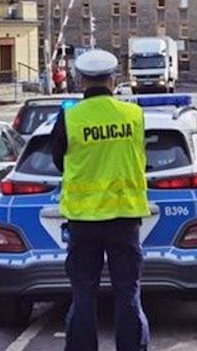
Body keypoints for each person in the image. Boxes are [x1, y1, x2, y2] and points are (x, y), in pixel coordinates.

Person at [50, 48, 150, 351]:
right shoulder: (133, 115)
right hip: (124, 217)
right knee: (128, 292)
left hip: (83, 220)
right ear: (113, 79)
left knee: (83, 294)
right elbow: (139, 156)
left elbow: (58, 160)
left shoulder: (69, 117)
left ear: (81, 81)